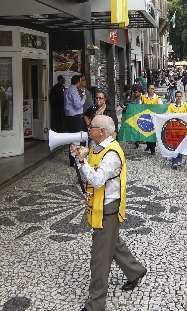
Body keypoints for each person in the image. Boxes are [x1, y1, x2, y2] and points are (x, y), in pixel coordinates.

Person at [71, 115, 146, 311]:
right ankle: (135, 271)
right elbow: (90, 173)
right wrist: (81, 158)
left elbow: (96, 180)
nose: (89, 128)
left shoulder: (111, 154)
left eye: (92, 126)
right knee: (113, 244)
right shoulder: (99, 148)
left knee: (99, 259)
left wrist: (82, 161)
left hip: (108, 209)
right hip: (101, 207)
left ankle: (95, 304)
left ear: (102, 131)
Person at [167, 91, 187, 168]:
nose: (178, 98)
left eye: (180, 96)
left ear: (182, 97)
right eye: (177, 96)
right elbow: (167, 115)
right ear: (175, 97)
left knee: (181, 144)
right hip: (173, 129)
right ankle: (174, 162)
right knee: (174, 145)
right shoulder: (171, 106)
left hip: (182, 129)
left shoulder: (185, 105)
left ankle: (179, 159)